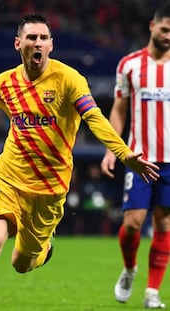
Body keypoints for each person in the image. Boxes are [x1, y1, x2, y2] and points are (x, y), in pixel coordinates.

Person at [0, 13, 160, 310]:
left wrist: (123, 153)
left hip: (49, 189)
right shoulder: (5, 83)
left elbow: (93, 118)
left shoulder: (69, 79)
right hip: (8, 177)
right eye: (31, 37)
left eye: (43, 38)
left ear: (51, 45)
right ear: (18, 43)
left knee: (22, 263)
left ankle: (42, 249)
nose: (38, 43)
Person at [100, 3, 170, 309]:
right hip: (139, 158)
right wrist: (111, 148)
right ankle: (129, 269)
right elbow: (119, 108)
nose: (169, 36)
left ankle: (152, 292)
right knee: (132, 223)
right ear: (152, 27)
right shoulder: (129, 65)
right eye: (165, 29)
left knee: (165, 225)